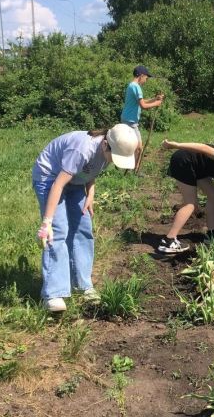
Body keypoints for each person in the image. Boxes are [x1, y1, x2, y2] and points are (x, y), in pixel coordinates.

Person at [32, 124, 139, 312]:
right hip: (51, 178)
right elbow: (58, 184)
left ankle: (83, 285)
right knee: (58, 231)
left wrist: (90, 193)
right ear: (105, 144)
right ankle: (53, 293)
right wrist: (47, 222)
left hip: (74, 180)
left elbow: (91, 169)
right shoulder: (81, 149)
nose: (114, 161)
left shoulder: (109, 149)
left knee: (83, 228)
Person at [120, 65, 164, 169]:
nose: (146, 80)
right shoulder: (136, 87)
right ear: (141, 75)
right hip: (130, 122)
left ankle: (132, 168)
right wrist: (156, 104)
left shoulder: (131, 85)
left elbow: (142, 101)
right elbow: (143, 106)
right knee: (139, 148)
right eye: (146, 78)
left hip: (127, 119)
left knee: (134, 147)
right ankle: (134, 169)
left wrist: (154, 99)